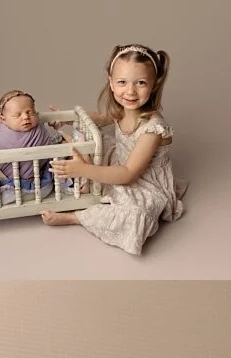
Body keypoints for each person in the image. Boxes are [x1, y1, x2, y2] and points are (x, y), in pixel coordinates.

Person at [41, 43, 183, 255]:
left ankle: (76, 217)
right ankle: (84, 174)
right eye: (122, 82)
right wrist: (67, 119)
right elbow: (97, 119)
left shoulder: (153, 128)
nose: (130, 91)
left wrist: (84, 170)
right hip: (119, 160)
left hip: (143, 180)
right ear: (111, 83)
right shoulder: (122, 110)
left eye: (141, 83)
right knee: (93, 142)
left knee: (134, 216)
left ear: (153, 85)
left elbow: (128, 174)